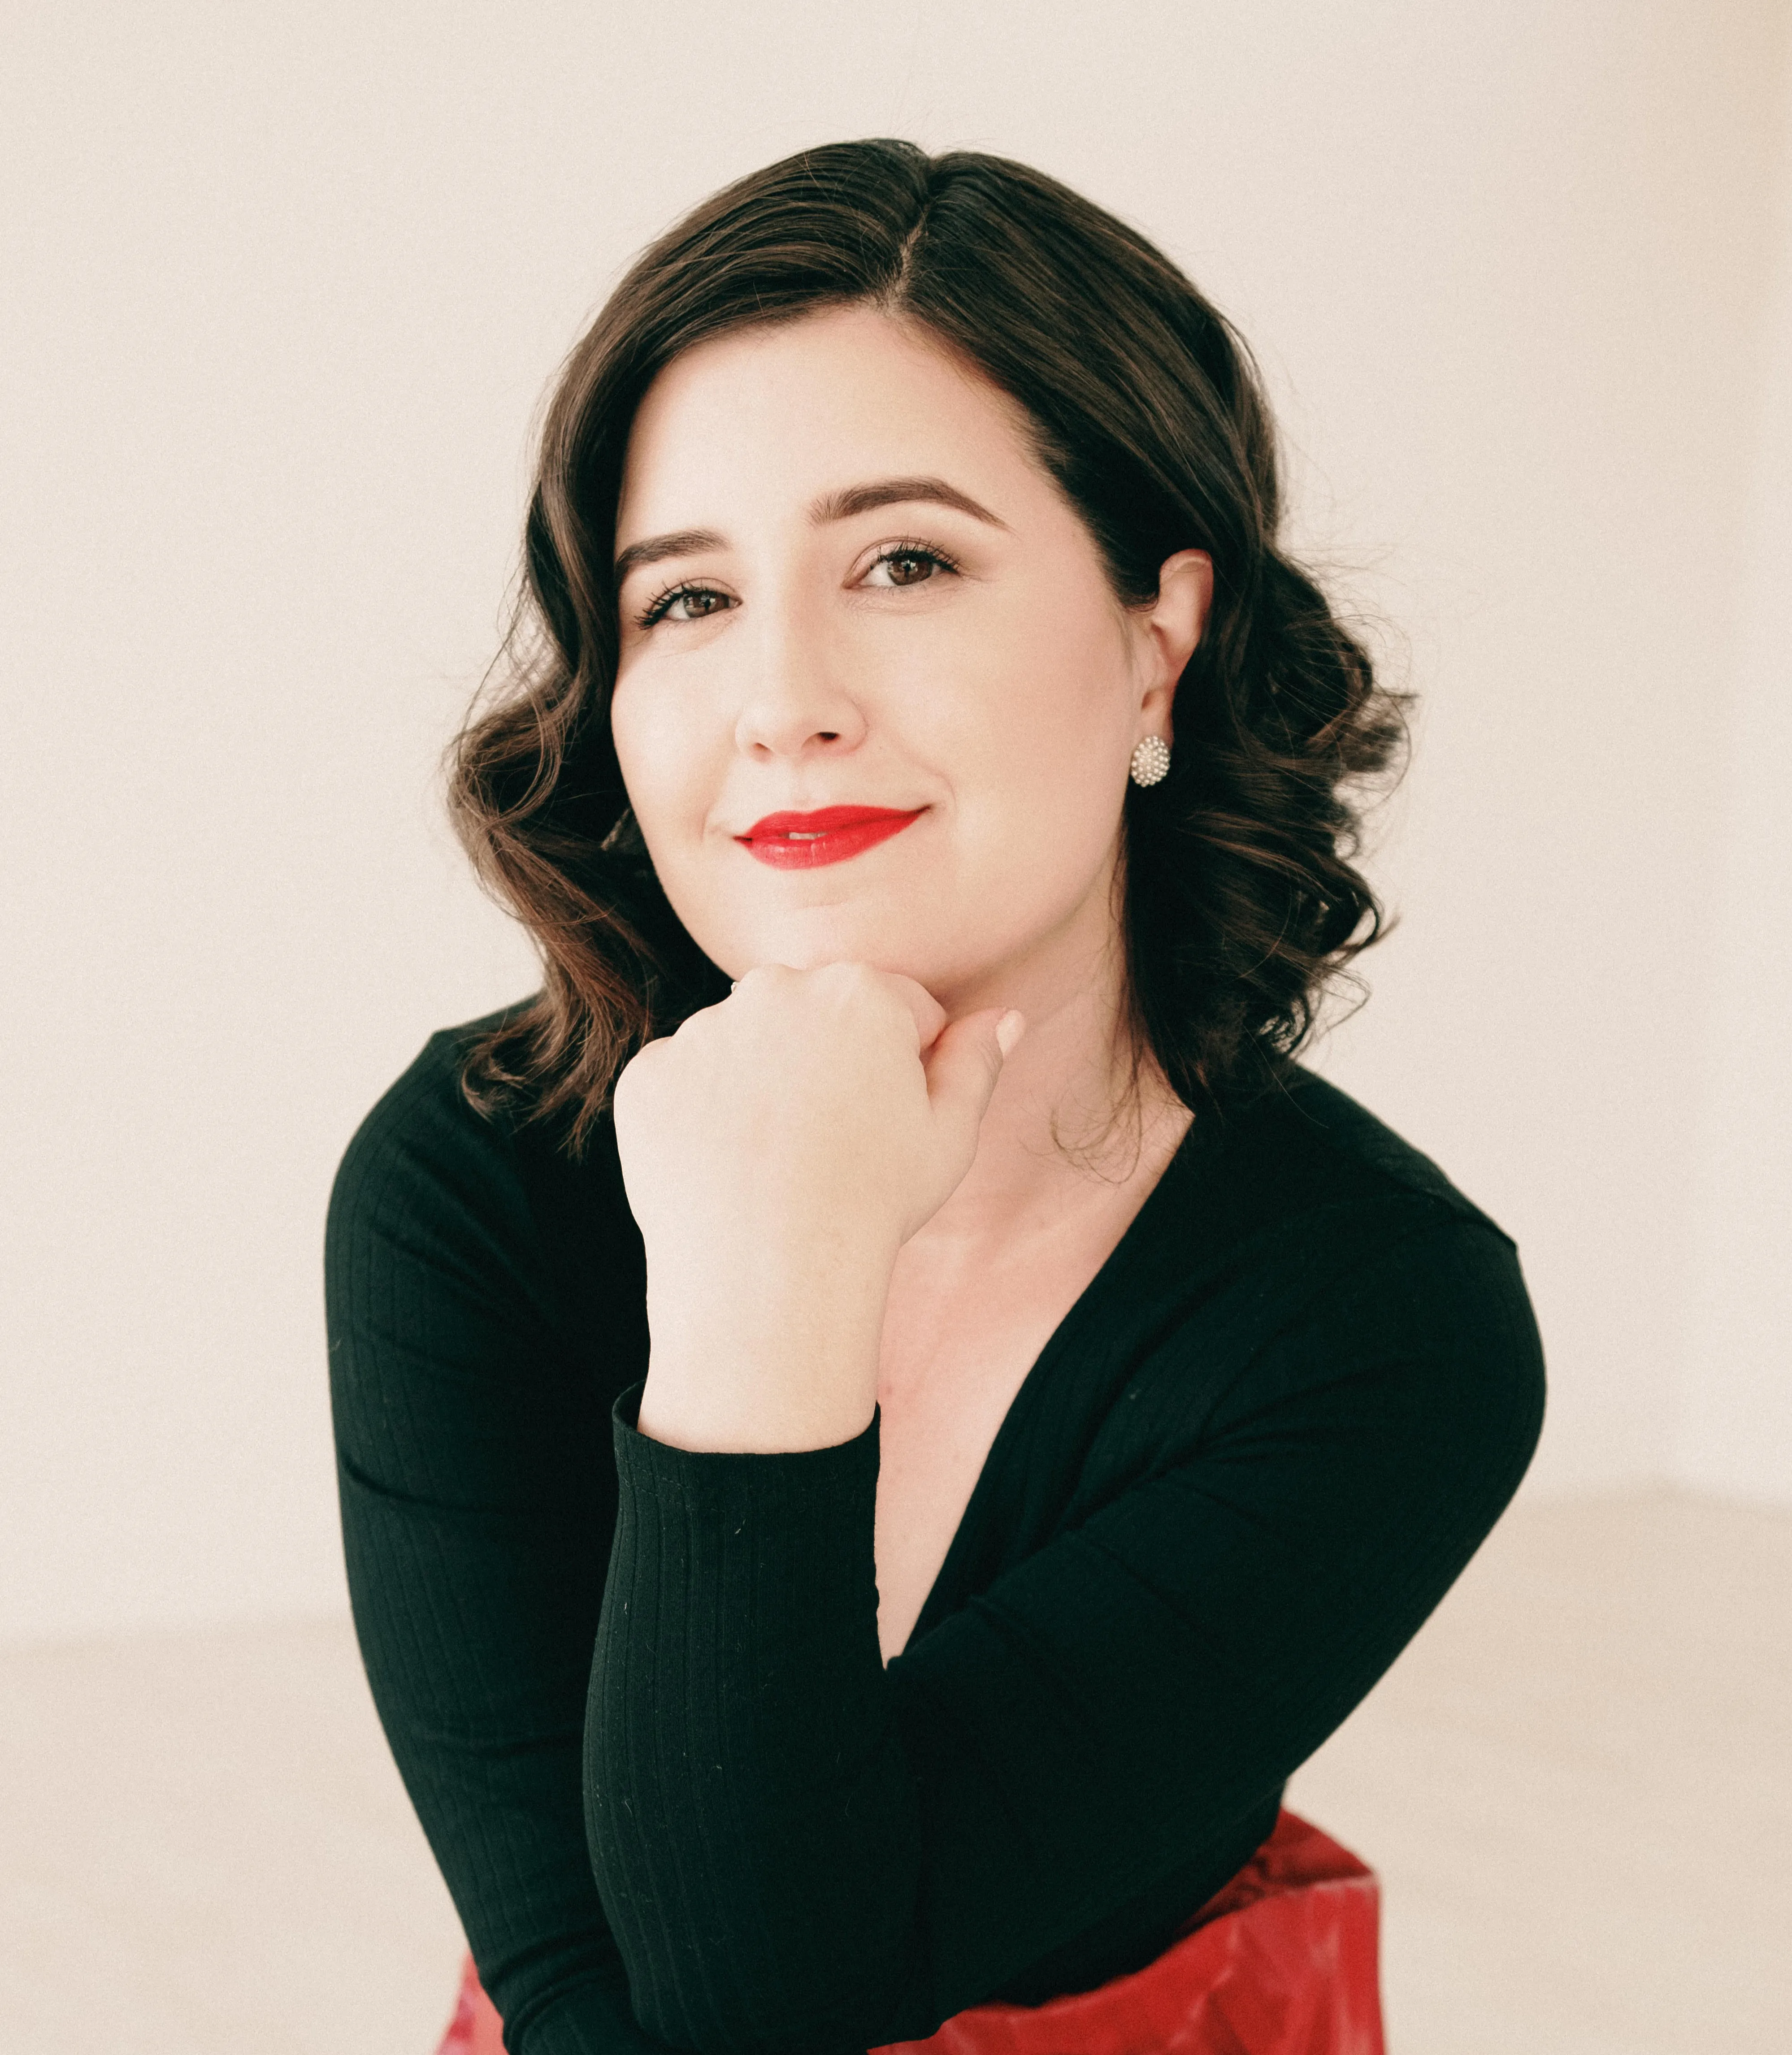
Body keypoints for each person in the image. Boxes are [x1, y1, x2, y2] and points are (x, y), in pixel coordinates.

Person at [325, 139, 1546, 2055]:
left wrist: (774, 1290)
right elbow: (600, 2003)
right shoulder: (475, 1176)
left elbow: (764, 2004)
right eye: (685, 602)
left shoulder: (1388, 1328)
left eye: (904, 562)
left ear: (1163, 634)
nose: (781, 696)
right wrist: (755, 1275)